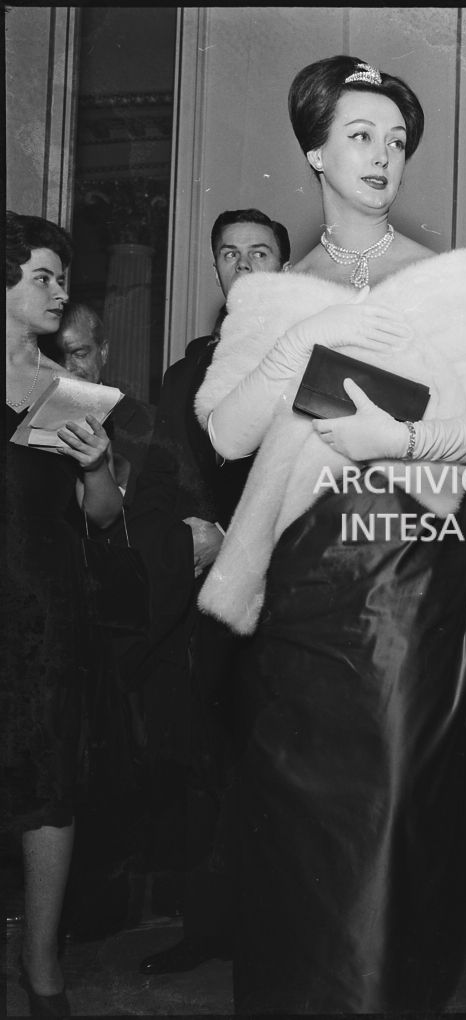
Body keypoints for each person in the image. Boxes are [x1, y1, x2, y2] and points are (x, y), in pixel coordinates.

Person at [194, 56, 466, 1014]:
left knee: (392, 819)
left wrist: (402, 437)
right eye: (360, 134)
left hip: (409, 577)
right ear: (313, 150)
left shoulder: (450, 282)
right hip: (299, 585)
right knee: (295, 826)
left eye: (396, 140)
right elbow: (225, 429)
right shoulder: (268, 294)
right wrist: (310, 349)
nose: (383, 154)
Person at [129, 208, 290, 975]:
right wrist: (183, 538)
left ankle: (285, 930)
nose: (245, 266)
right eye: (231, 254)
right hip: (205, 604)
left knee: (285, 768)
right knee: (206, 764)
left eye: (261, 253)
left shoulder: (316, 357)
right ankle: (207, 927)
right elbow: (159, 482)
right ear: (218, 270)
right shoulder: (185, 374)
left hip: (290, 599)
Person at [4, 211, 122, 1017]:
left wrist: (98, 462)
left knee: (50, 783)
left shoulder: (65, 387)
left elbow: (106, 515)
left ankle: (42, 964)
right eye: (44, 276)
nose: (60, 293)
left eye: (62, 277)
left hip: (46, 610)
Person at [40, 302, 155, 505]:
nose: (67, 368)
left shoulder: (148, 422)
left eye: (80, 354)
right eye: (56, 358)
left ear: (103, 352)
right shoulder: (24, 417)